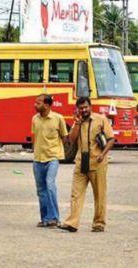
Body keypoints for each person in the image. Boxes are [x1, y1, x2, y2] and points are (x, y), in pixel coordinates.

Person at [59, 97, 115, 233]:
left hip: (98, 162)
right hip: (80, 162)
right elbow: (71, 140)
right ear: (78, 109)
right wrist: (77, 124)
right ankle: (72, 223)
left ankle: (99, 223)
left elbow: (111, 139)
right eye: (81, 108)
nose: (83, 110)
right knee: (76, 194)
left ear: (90, 106)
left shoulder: (101, 120)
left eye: (85, 107)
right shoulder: (77, 122)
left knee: (100, 194)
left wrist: (103, 154)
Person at [31, 94, 68, 228]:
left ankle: (54, 218)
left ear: (47, 105)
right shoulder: (35, 119)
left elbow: (65, 137)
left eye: (38, 102)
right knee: (41, 190)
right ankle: (45, 218)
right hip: (38, 159)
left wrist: (60, 152)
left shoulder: (58, 118)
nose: (35, 105)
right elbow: (35, 137)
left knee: (50, 185)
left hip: (52, 157)